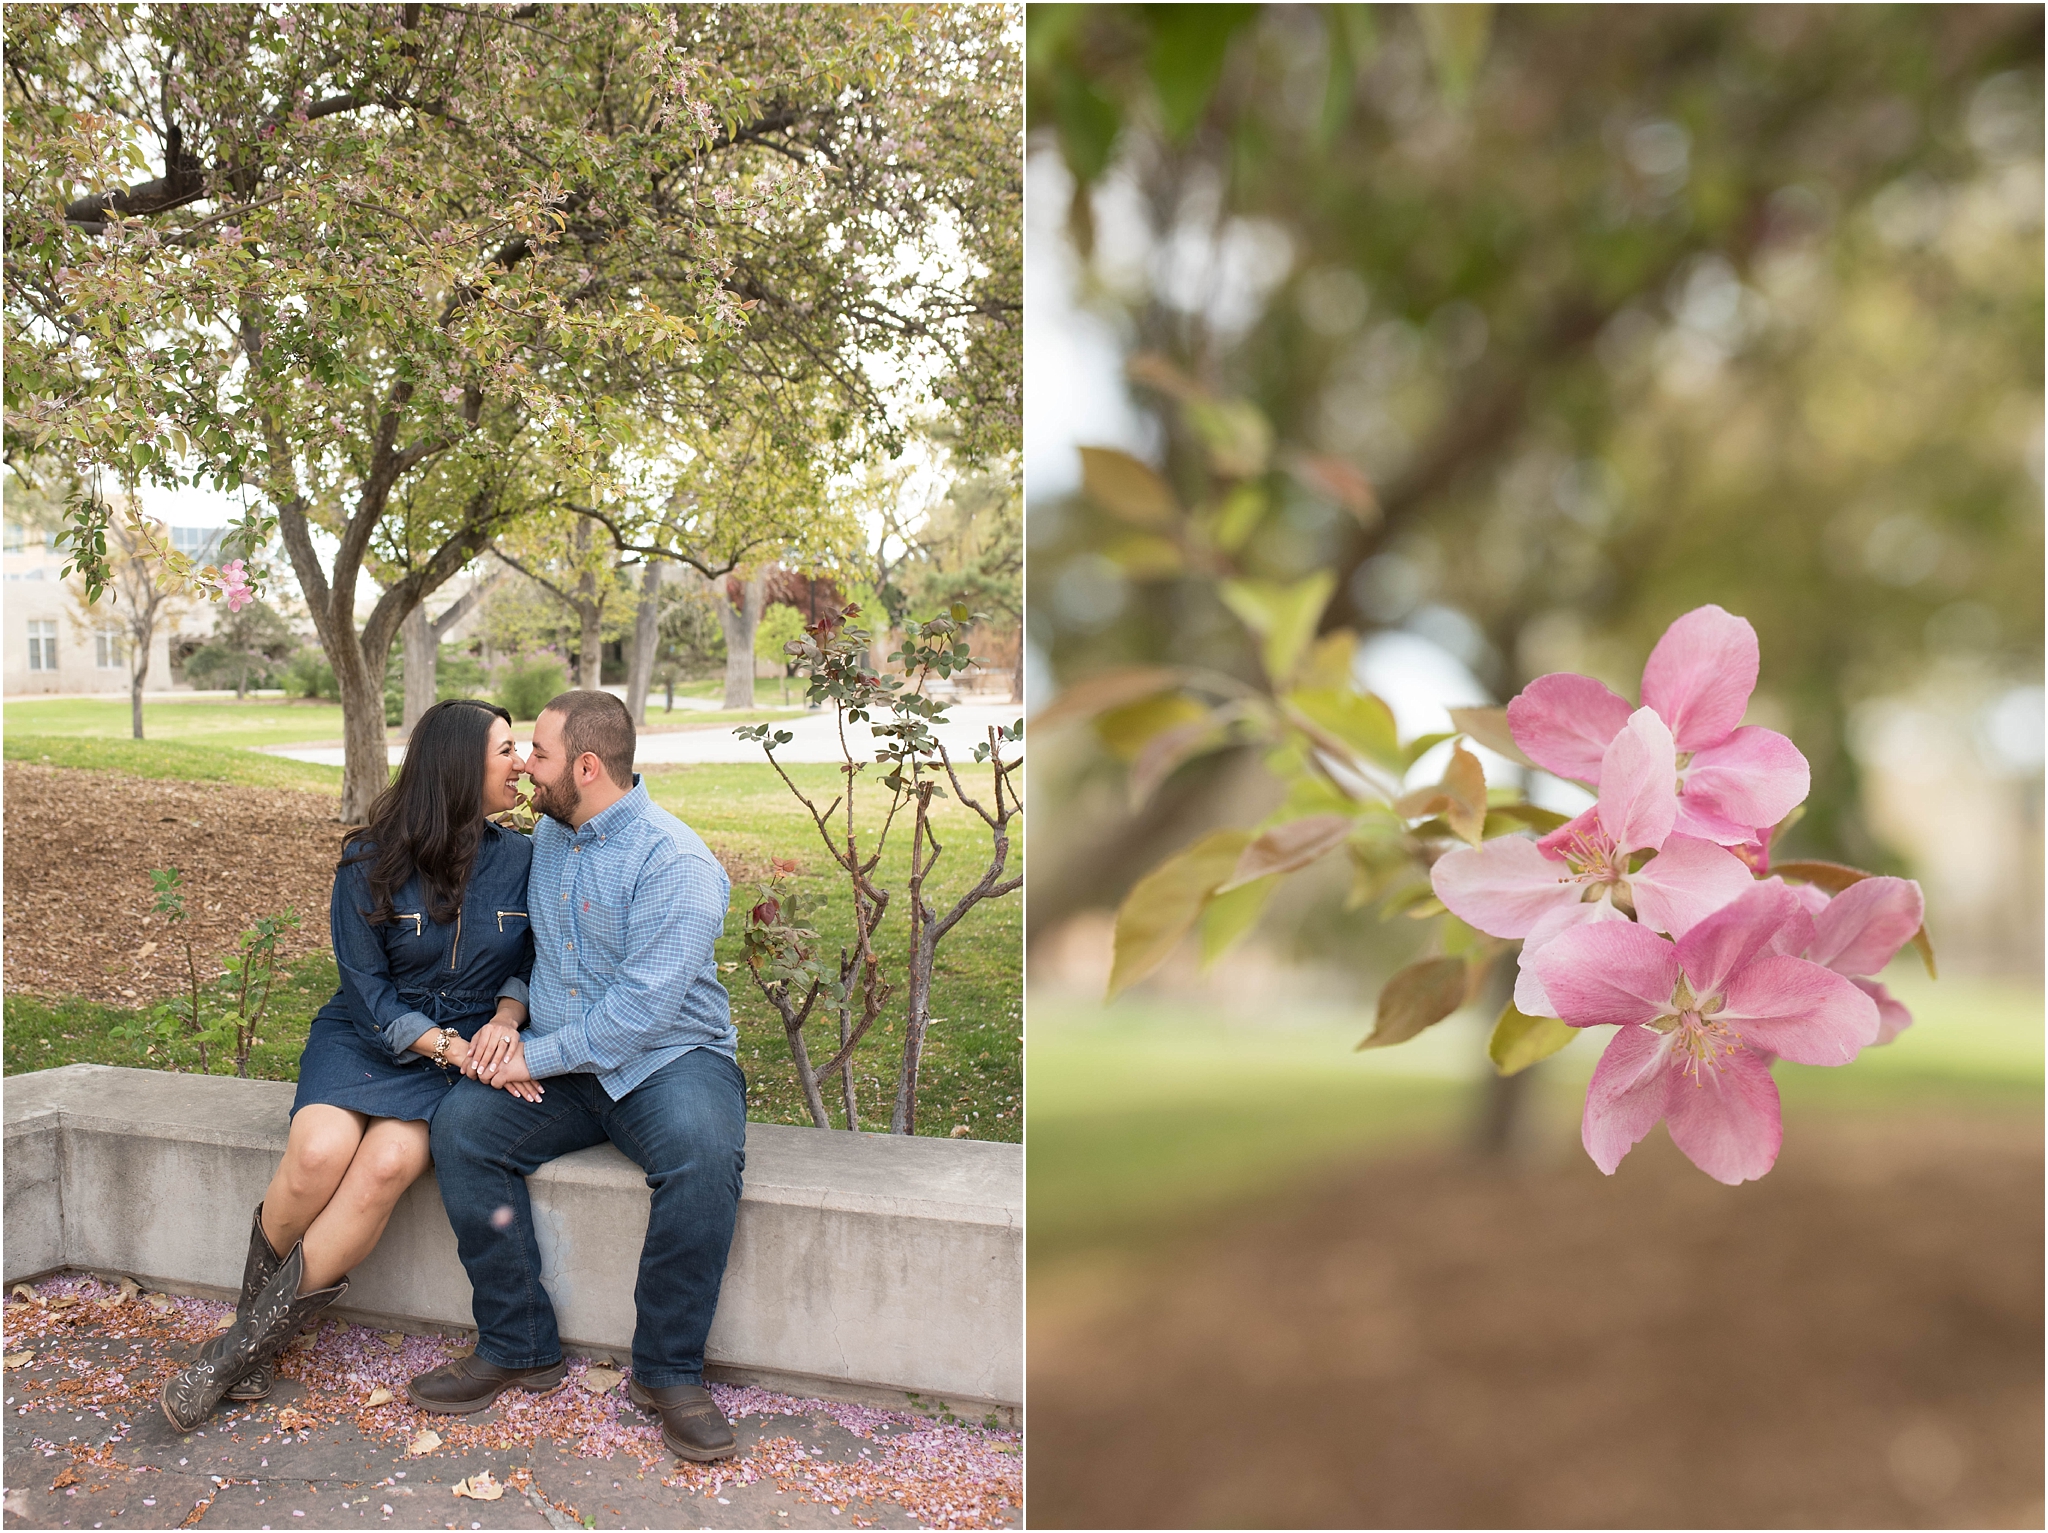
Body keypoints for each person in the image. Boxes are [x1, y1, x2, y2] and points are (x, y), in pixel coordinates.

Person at [160, 699, 538, 1432]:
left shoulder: (525, 858)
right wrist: (447, 1046)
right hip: (371, 1036)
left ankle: (235, 1352)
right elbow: (366, 992)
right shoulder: (368, 860)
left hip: (453, 1056)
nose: (522, 762)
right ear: (459, 766)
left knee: (387, 1163)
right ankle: (254, 1337)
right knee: (318, 1151)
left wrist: (504, 1018)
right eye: (507, 749)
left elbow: (530, 964)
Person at [406, 689, 747, 1463]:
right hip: (563, 1059)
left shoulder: (678, 863)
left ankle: (668, 1370)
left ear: (587, 767)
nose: (524, 763)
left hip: (667, 1061)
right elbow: (538, 956)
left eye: (540, 752)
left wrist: (529, 1058)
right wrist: (508, 1018)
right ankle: (518, 1340)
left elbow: (639, 1014)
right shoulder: (555, 837)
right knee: (462, 1127)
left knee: (702, 1156)